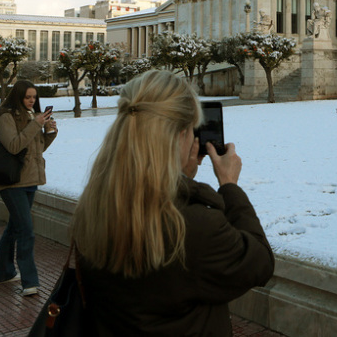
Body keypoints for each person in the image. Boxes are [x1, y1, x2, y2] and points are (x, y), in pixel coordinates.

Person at [71, 70, 274, 336]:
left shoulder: (96, 204)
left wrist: (179, 179)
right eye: (192, 130)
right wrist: (229, 186)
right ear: (179, 135)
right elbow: (259, 263)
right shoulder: (193, 225)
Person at [0, 80, 58, 296]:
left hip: (30, 180)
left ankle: (1, 273)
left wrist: (50, 133)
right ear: (18, 96)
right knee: (26, 230)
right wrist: (36, 124)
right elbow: (14, 146)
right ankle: (30, 282)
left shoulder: (31, 117)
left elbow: (35, 150)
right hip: (12, 182)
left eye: (34, 97)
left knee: (15, 227)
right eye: (28, 97)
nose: (32, 101)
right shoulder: (6, 117)